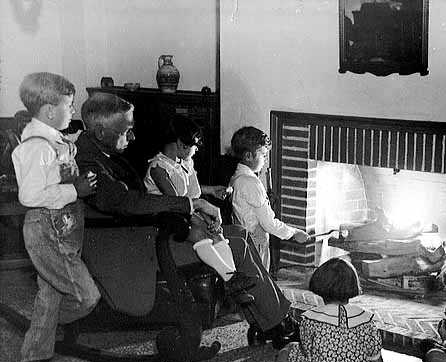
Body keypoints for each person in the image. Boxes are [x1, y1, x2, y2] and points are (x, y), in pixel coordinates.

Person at [74, 93, 297, 347]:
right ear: (102, 132)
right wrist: (192, 203)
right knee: (236, 245)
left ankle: (268, 322)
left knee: (240, 234)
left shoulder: (102, 152)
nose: (133, 136)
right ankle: (278, 323)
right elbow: (128, 203)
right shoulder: (89, 164)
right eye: (127, 130)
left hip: (147, 231)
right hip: (134, 245)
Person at [11, 72, 100, 362]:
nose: (73, 111)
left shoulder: (53, 140)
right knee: (87, 296)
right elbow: (30, 195)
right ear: (49, 110)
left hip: (62, 228)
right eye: (70, 106)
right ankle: (40, 328)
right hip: (46, 228)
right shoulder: (38, 146)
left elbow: (59, 160)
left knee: (50, 296)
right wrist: (76, 190)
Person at [232, 257, 407, 362]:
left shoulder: (310, 318)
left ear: (320, 286)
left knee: (291, 349)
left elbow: (307, 351)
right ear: (353, 286)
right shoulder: (366, 320)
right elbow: (375, 356)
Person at [143, 114, 243, 292]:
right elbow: (178, 202)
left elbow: (194, 195)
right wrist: (202, 218)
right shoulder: (159, 168)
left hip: (185, 212)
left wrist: (209, 219)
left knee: (216, 234)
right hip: (165, 217)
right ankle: (230, 280)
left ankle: (233, 277)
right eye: (194, 146)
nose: (196, 150)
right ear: (181, 144)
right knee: (200, 234)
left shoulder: (185, 162)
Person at [229, 126, 310, 271]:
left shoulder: (237, 177)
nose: (266, 160)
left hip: (245, 239)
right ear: (248, 156)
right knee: (260, 278)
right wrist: (294, 233)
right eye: (263, 155)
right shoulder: (251, 182)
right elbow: (269, 224)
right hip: (256, 242)